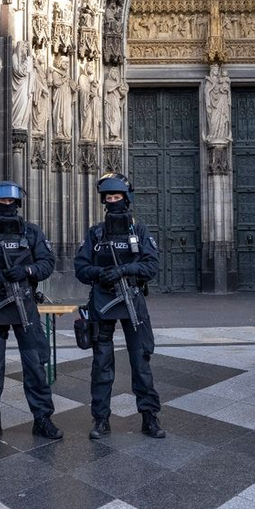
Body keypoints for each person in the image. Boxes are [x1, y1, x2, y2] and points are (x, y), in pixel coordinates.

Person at [0, 182, 63, 443]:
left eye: (10, 201)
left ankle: (42, 419)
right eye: (2, 201)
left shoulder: (32, 232)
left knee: (35, 365)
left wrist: (27, 270)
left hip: (24, 305)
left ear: (17, 204)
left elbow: (47, 262)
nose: (6, 205)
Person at [74, 173, 164, 440]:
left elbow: (151, 266)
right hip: (102, 301)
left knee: (140, 361)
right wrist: (100, 273)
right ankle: (101, 419)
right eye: (109, 197)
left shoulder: (139, 231)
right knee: (101, 364)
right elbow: (81, 268)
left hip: (132, 301)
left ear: (126, 198)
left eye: (117, 196)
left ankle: (149, 417)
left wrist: (124, 270)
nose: (113, 201)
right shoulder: (96, 233)